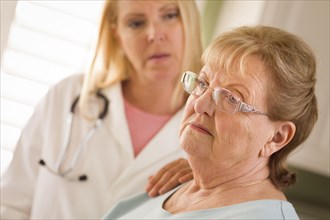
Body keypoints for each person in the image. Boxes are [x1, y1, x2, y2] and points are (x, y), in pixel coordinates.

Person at [0, 0, 202, 219]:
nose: (154, 34)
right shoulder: (69, 96)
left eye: (170, 15)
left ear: (190, 21)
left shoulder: (209, 129)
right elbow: (11, 204)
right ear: (117, 35)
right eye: (135, 23)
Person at [103, 25, 318, 219]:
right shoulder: (171, 187)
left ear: (277, 137)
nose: (199, 105)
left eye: (232, 98)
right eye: (202, 83)